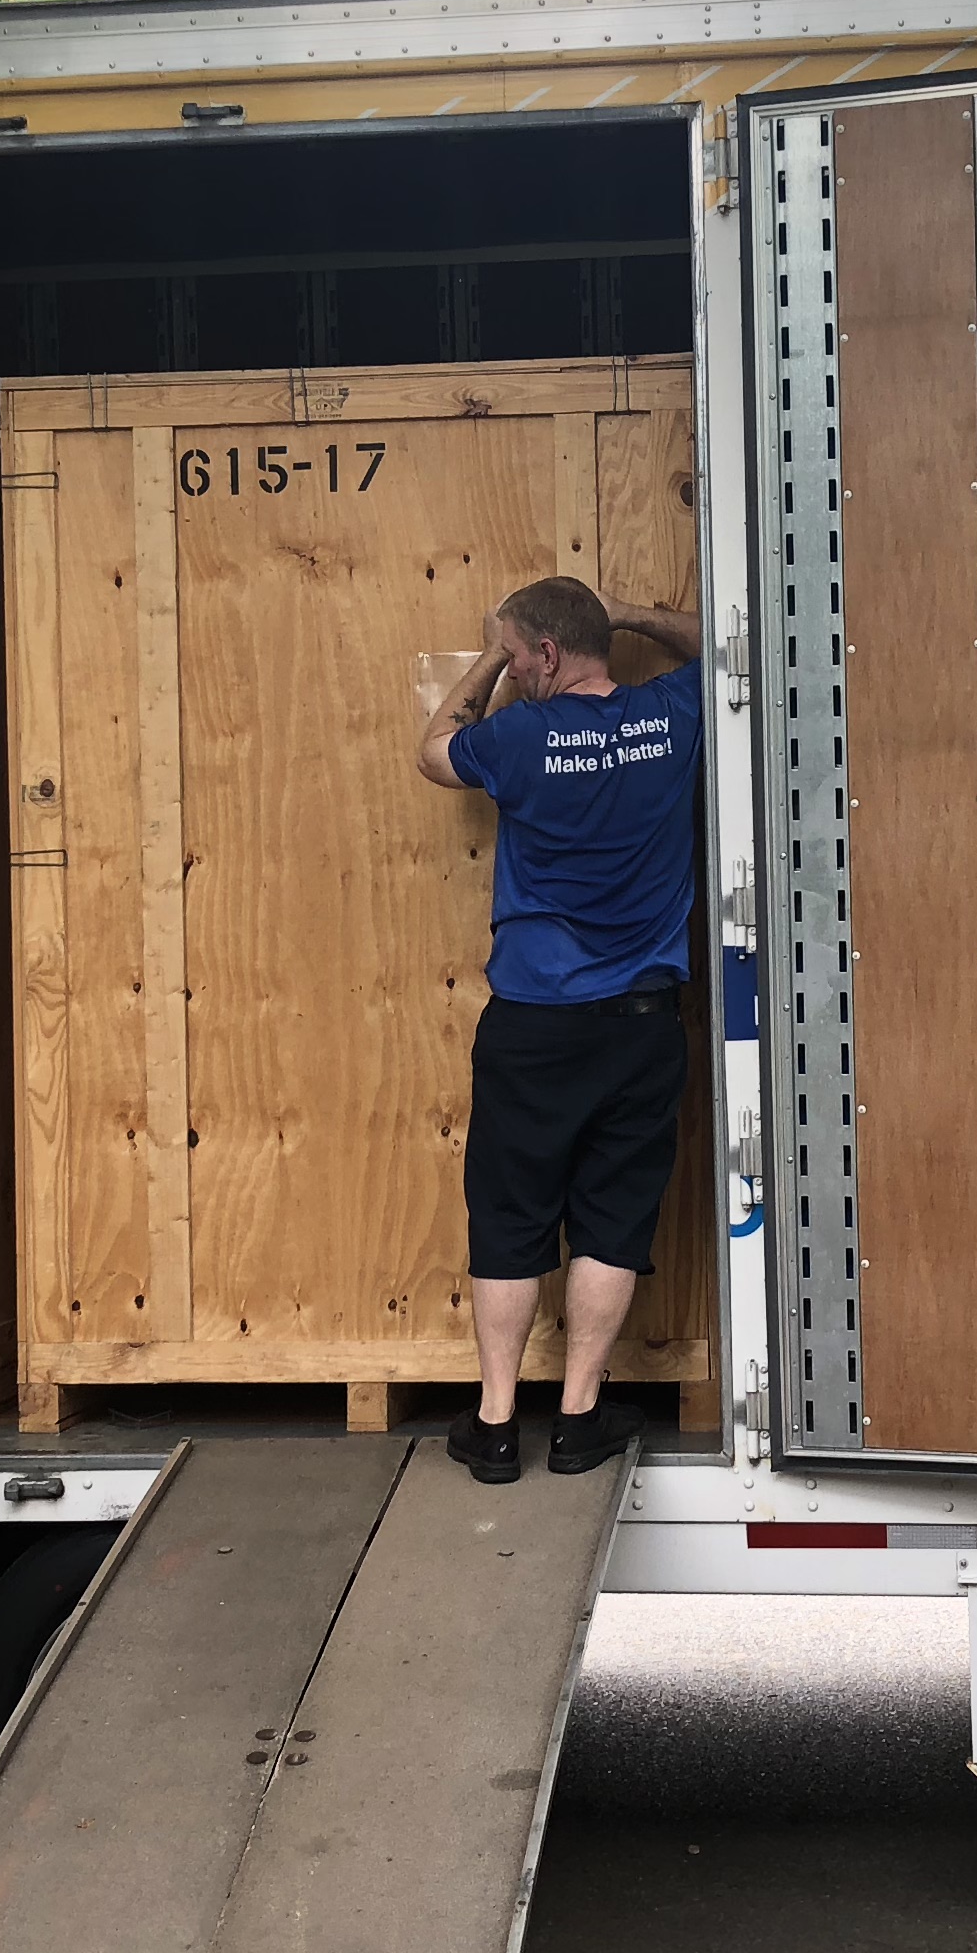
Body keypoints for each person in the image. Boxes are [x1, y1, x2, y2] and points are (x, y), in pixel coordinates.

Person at [413, 575, 706, 1482]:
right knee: (614, 1222)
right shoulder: (673, 715)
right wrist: (634, 616)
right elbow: (732, 648)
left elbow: (434, 750)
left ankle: (496, 1426)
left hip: (534, 1028)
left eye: (520, 649)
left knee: (509, 1218)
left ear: (542, 654)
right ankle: (581, 1420)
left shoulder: (518, 736)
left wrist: (491, 661)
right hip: (642, 1025)